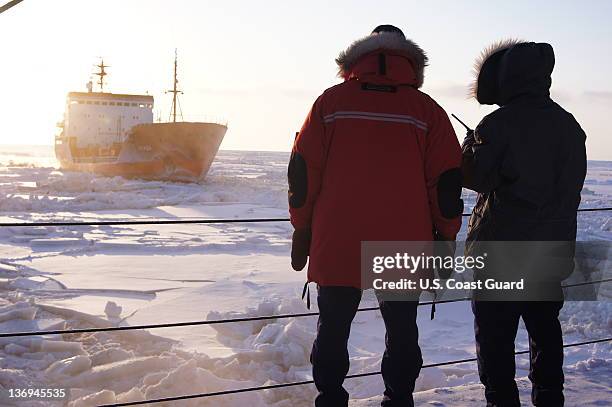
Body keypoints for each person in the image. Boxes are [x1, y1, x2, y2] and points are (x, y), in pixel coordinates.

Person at [288, 25, 463, 407]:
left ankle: (330, 399)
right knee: (402, 331)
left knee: (333, 329)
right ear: (410, 63)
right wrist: (446, 238)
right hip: (403, 240)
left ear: (358, 60)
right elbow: (446, 184)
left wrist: (302, 228)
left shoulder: (330, 104)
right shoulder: (426, 110)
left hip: (337, 239)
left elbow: (303, 174)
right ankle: (398, 399)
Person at [462, 40, 587, 406]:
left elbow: (475, 177)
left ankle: (501, 400)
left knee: (496, 340)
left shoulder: (498, 123)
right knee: (545, 332)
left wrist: (471, 146)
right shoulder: (569, 125)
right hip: (550, 250)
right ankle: (549, 397)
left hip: (502, 251)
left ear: (507, 77)